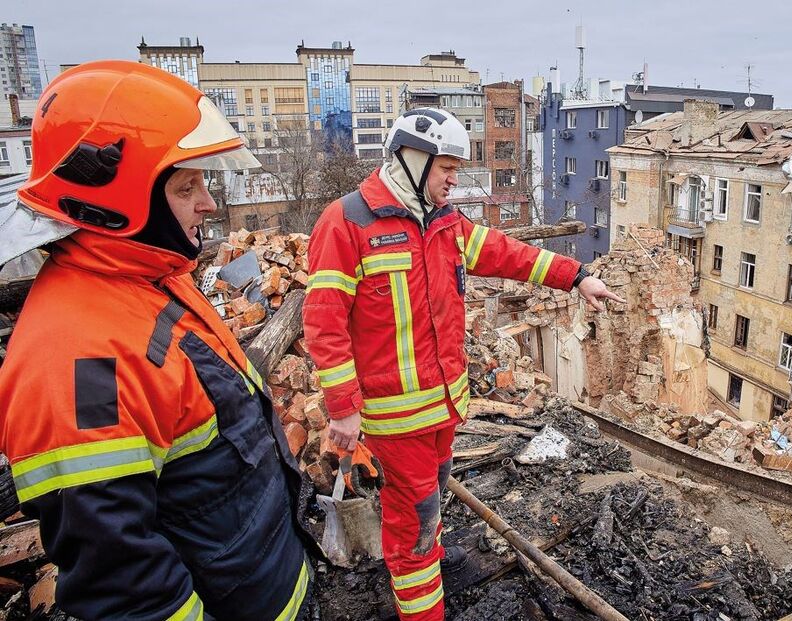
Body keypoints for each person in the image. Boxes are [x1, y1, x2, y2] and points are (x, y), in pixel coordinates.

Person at [0, 60, 322, 621]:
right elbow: (127, 587)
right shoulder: (79, 360)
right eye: (186, 186)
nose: (209, 203)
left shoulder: (151, 277)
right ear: (121, 202)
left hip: (265, 585)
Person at [303, 107, 621, 620]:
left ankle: (429, 557)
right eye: (445, 167)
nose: (454, 177)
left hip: (445, 409)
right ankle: (422, 603)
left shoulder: (446, 223)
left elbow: (507, 253)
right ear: (410, 159)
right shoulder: (347, 224)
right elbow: (324, 322)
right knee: (413, 527)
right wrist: (342, 408)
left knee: (430, 507)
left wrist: (576, 275)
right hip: (397, 420)